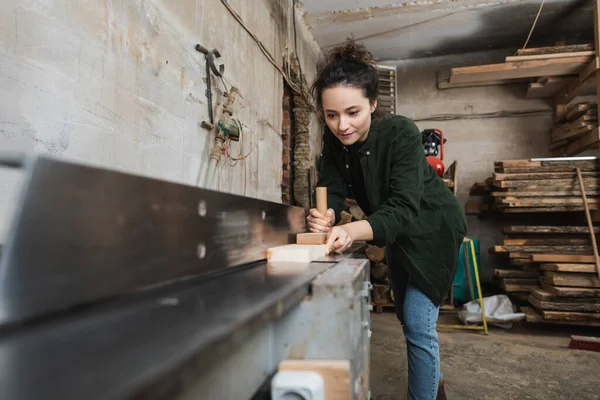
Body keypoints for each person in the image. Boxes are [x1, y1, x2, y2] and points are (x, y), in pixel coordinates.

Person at [307, 38, 467, 400]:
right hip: (395, 231)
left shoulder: (400, 133)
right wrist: (327, 213)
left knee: (417, 322)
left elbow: (404, 208)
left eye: (352, 112)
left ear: (373, 104)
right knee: (405, 316)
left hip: (432, 227)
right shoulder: (334, 142)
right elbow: (329, 185)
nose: (341, 125)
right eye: (331, 115)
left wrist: (349, 229)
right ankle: (434, 382)